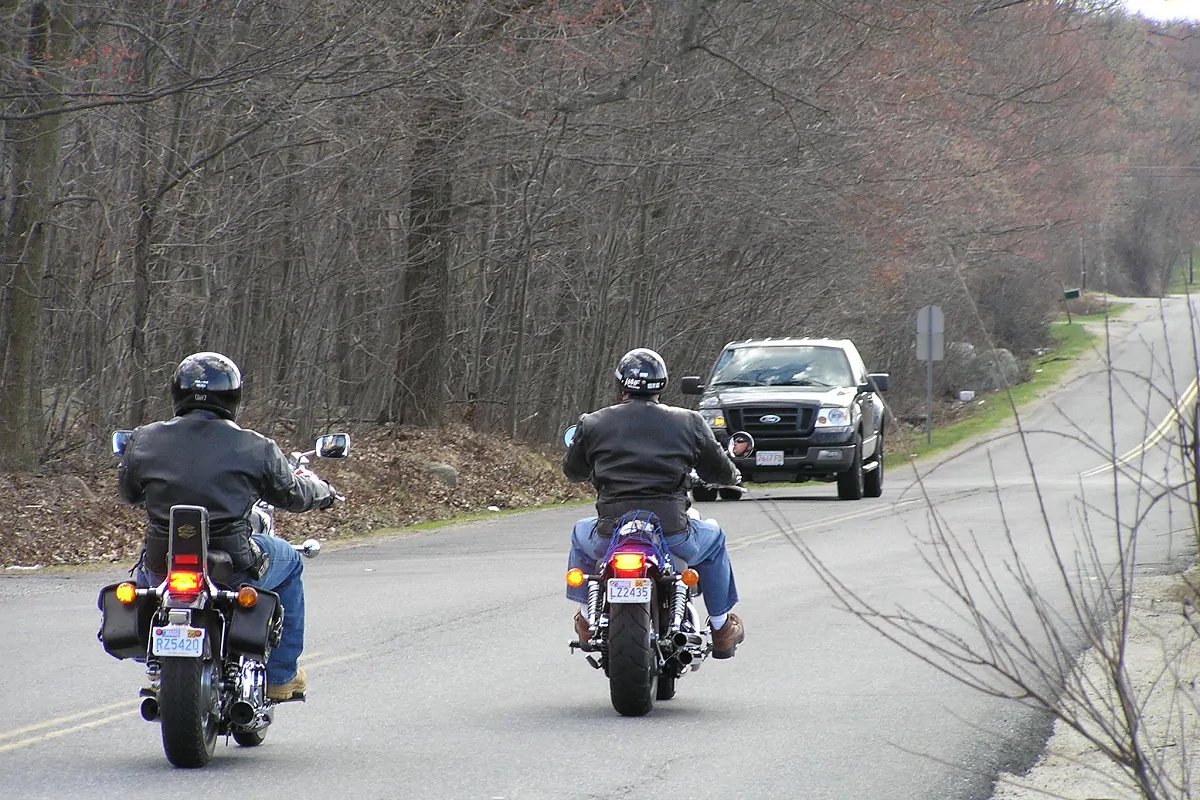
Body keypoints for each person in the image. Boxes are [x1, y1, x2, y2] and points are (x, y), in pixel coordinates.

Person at [117, 352, 337, 701]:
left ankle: (157, 664)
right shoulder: (256, 446)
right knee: (291, 562)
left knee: (144, 584)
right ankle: (281, 677)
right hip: (234, 565)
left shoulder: (144, 439)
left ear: (178, 393)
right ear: (233, 396)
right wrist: (324, 492)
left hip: (163, 564)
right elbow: (292, 494)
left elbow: (129, 493)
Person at [563, 348, 746, 658]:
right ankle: (721, 629)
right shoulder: (689, 421)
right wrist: (732, 474)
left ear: (620, 384)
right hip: (672, 533)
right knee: (714, 539)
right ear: (662, 384)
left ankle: (585, 620)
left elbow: (573, 471)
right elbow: (719, 471)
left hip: (611, 533)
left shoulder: (592, 423)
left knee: (581, 534)